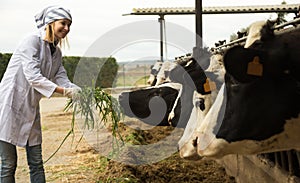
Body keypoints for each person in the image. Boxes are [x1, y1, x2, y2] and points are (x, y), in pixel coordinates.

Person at [0, 6, 80, 183]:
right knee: (8, 164)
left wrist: (77, 90)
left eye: (69, 25)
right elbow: (33, 76)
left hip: (31, 107)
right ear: (51, 23)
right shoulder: (32, 41)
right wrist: (64, 92)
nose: (67, 28)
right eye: (63, 23)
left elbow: (61, 77)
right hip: (9, 104)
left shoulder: (56, 51)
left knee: (36, 162)